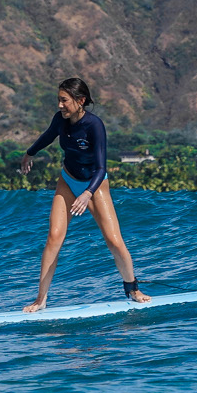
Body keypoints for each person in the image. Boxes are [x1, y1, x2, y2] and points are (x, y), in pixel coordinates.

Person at [18, 77, 148, 311]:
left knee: (114, 241)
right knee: (54, 237)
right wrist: (30, 153)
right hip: (68, 181)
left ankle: (133, 288)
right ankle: (41, 299)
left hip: (95, 184)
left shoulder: (94, 125)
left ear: (80, 101)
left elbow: (101, 167)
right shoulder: (60, 119)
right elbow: (48, 135)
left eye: (64, 100)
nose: (60, 105)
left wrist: (88, 193)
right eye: (58, 100)